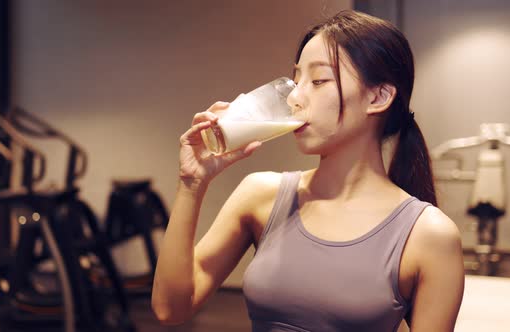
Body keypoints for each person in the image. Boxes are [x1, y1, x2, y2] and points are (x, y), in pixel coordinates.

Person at [151, 10, 465, 332]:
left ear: (378, 97)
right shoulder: (260, 195)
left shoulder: (429, 235)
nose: (295, 98)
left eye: (318, 81)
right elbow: (170, 308)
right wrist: (192, 182)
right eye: (296, 79)